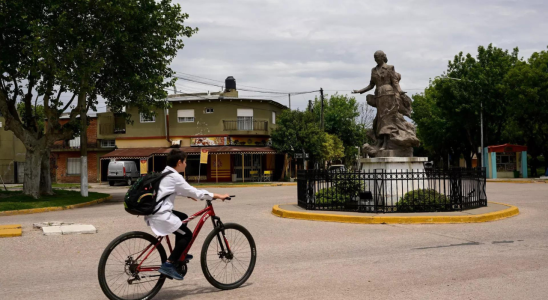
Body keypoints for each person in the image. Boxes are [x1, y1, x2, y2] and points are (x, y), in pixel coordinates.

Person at [145, 148, 230, 280]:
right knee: (187, 235)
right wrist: (217, 195)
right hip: (161, 215)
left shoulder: (165, 173)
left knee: (183, 218)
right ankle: (169, 263)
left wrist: (187, 195)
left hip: (155, 211)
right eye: (185, 162)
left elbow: (171, 189)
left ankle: (179, 254)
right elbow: (195, 192)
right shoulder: (174, 176)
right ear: (179, 162)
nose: (186, 164)